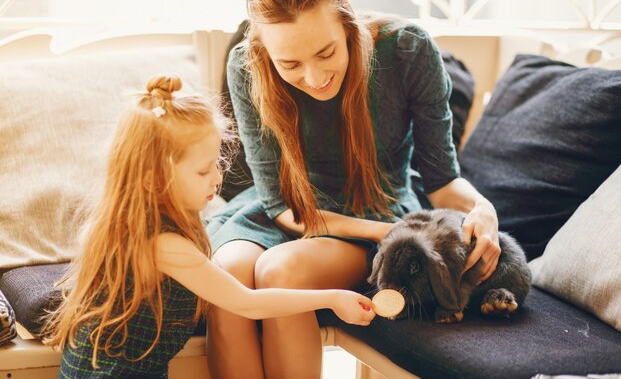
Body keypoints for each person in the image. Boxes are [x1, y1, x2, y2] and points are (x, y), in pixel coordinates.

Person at [205, 0, 502, 378]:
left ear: (347, 24)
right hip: (290, 208)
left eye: (326, 53)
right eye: (289, 64)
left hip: (375, 209)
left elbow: (442, 182)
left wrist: (484, 209)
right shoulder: (246, 65)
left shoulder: (407, 50)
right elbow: (279, 205)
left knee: (280, 271)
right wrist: (382, 236)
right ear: (265, 52)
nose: (314, 77)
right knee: (228, 273)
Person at [43, 76, 375, 379]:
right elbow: (247, 303)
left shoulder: (123, 222)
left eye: (216, 163)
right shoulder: (163, 245)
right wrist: (331, 298)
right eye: (203, 172)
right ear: (152, 179)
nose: (217, 178)